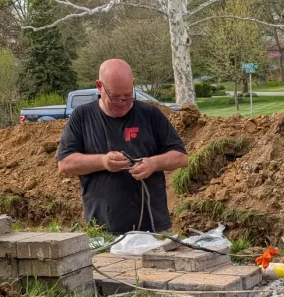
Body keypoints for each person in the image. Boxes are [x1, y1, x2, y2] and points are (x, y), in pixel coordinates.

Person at [57, 59, 188, 233]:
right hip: (103, 229)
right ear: (99, 86)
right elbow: (65, 163)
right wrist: (103, 162)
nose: (123, 103)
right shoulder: (82, 117)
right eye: (116, 98)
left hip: (153, 228)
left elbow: (181, 157)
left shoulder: (150, 114)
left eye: (128, 96)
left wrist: (153, 164)